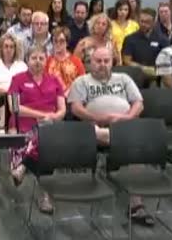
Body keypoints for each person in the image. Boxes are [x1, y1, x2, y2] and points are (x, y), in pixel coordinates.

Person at [68, 47, 150, 226]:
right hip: (93, 128)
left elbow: (139, 104)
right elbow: (76, 108)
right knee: (132, 145)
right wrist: (98, 117)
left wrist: (127, 117)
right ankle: (120, 147)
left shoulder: (124, 79)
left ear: (112, 62)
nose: (102, 65)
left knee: (131, 143)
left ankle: (136, 204)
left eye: (106, 61)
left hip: (124, 125)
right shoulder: (82, 81)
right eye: (98, 61)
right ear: (90, 63)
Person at [9, 45, 66, 214]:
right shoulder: (17, 79)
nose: (38, 62)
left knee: (43, 137)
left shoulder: (54, 80)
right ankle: (45, 195)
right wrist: (42, 114)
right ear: (27, 60)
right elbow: (14, 107)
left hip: (48, 124)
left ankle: (23, 165)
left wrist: (54, 117)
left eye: (41, 58)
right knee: (42, 141)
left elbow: (62, 109)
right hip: (23, 123)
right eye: (34, 58)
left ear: (46, 60)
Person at [0, 33, 27, 126]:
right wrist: (7, 91)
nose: (8, 50)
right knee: (5, 107)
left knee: (14, 104)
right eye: (6, 47)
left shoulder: (22, 66)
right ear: (1, 49)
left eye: (12, 47)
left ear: (15, 49)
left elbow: (26, 86)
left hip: (18, 99)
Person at [122, 8, 169, 87]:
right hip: (135, 75)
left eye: (147, 22)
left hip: (156, 76)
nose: (143, 24)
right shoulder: (130, 39)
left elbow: (166, 62)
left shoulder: (163, 40)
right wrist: (144, 69)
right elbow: (127, 61)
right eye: (141, 21)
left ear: (154, 22)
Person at [45, 26, 85, 97]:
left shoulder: (76, 61)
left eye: (62, 41)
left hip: (72, 98)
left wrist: (68, 93)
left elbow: (82, 82)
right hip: (52, 98)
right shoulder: (47, 61)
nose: (58, 44)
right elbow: (43, 82)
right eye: (55, 41)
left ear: (67, 43)